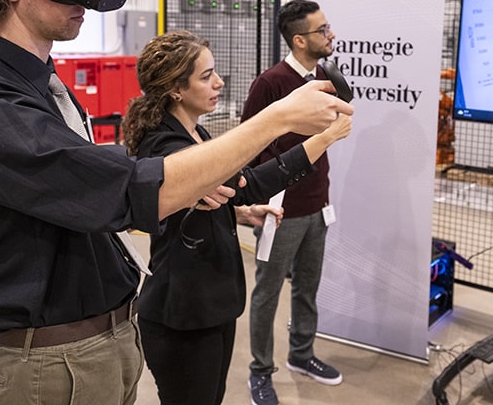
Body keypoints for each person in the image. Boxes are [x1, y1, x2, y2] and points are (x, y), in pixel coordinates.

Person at [0, 0, 352, 405]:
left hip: (97, 347)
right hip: (45, 366)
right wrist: (276, 119)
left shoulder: (44, 88)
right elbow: (121, 193)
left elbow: (87, 187)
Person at [121, 30, 351, 405]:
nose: (219, 82)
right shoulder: (167, 147)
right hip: (183, 314)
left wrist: (240, 212)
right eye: (206, 75)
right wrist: (322, 139)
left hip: (213, 305)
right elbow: (250, 181)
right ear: (176, 89)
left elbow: (233, 190)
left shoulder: (196, 133)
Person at [242, 0, 345, 405]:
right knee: (267, 293)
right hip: (279, 211)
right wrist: (260, 201)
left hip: (318, 205)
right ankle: (260, 372)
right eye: (322, 30)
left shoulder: (326, 76)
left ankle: (302, 355)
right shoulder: (270, 83)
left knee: (308, 287)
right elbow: (249, 144)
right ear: (300, 39)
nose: (331, 34)